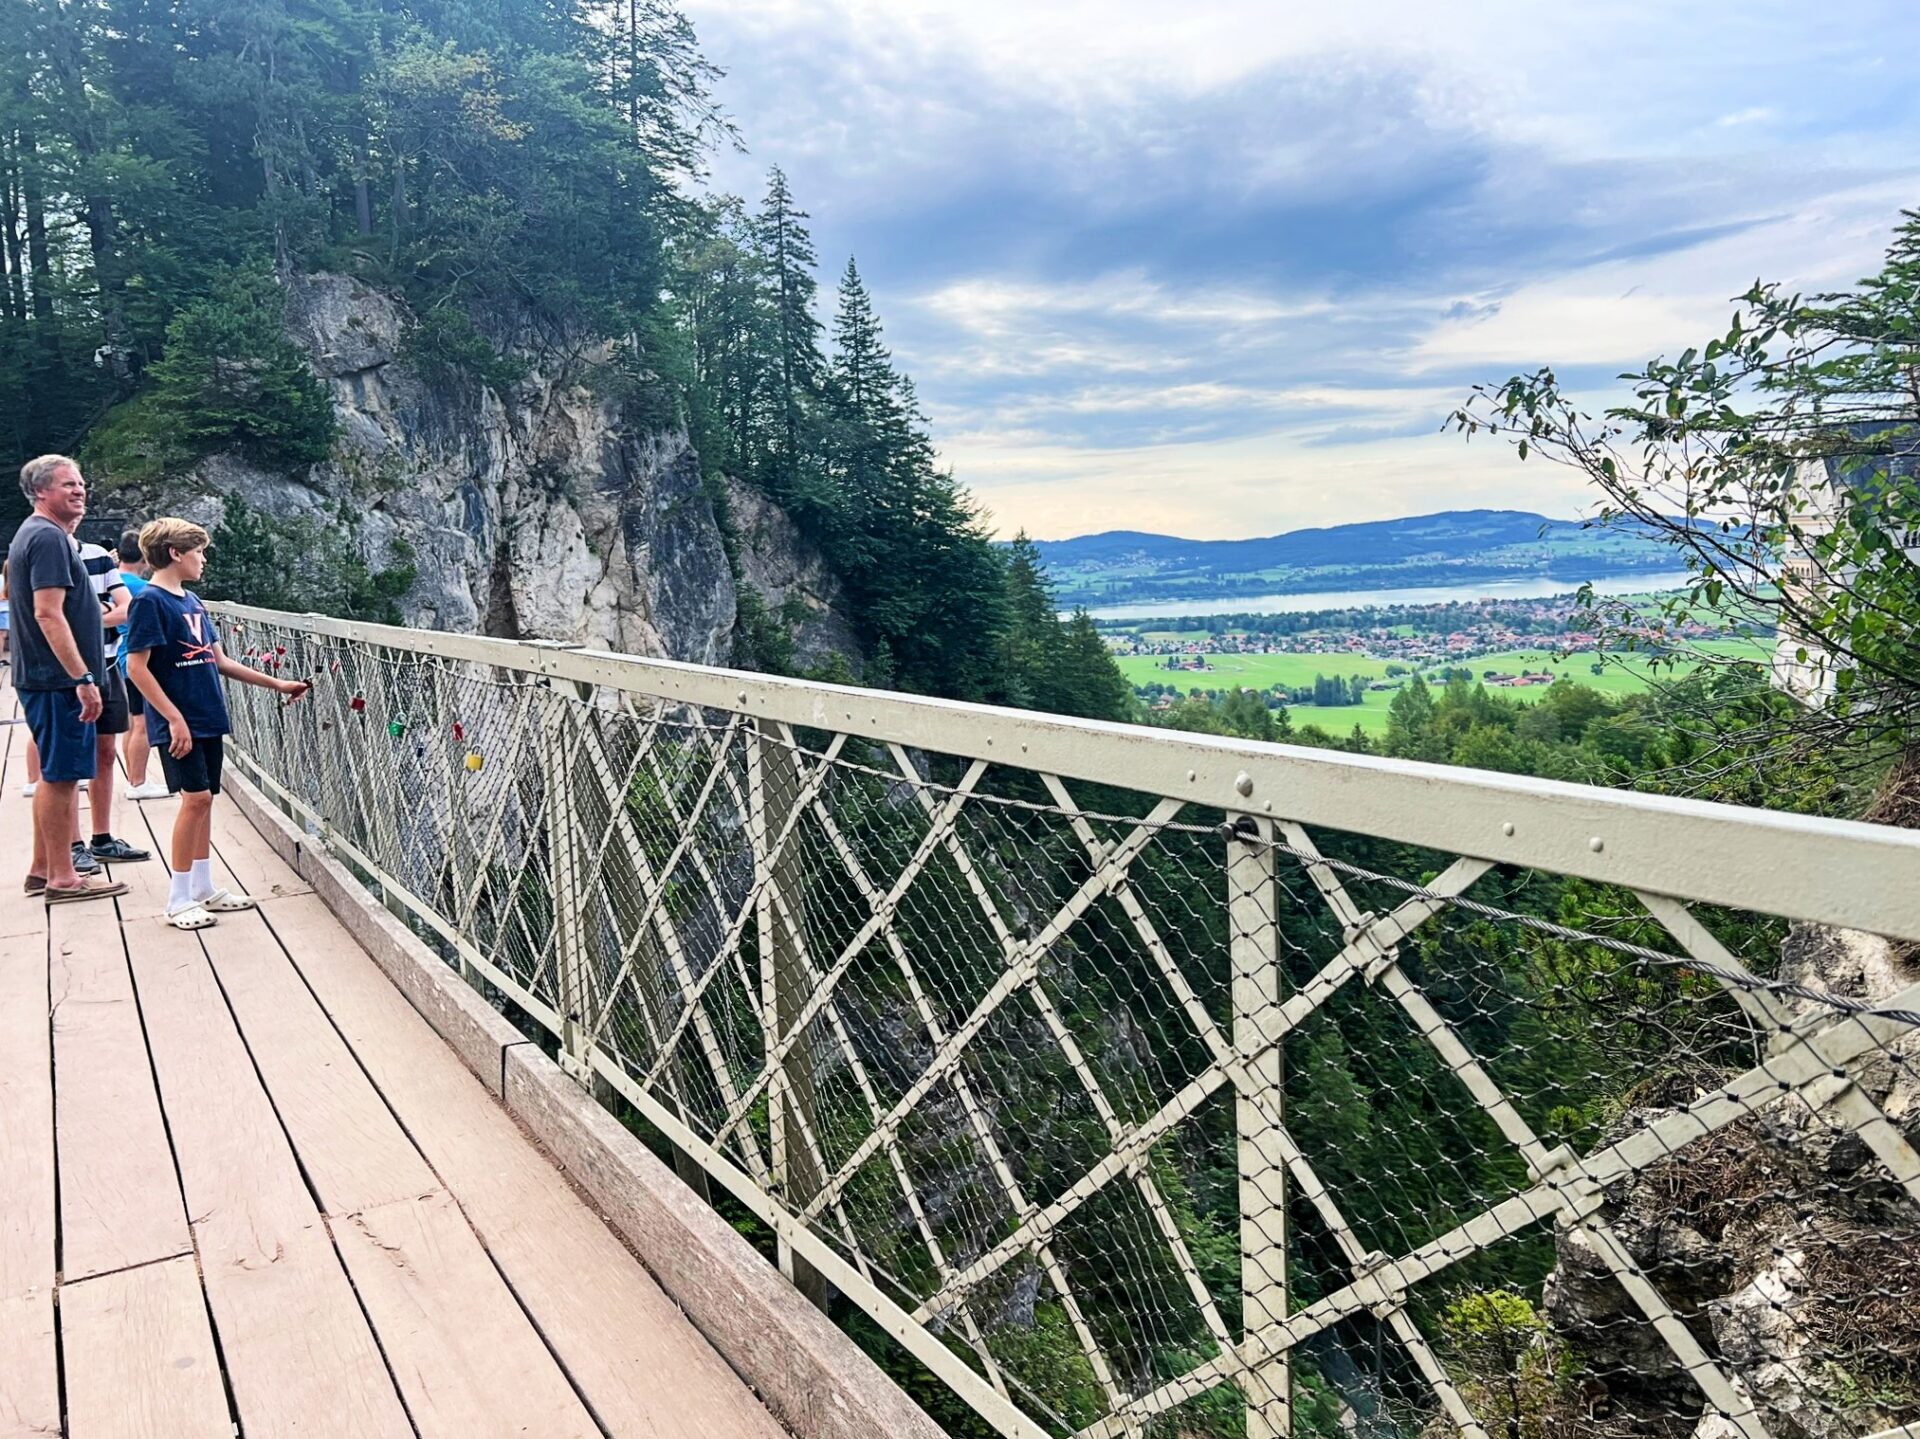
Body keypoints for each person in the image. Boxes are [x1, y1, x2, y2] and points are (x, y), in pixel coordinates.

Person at [126, 516, 309, 928]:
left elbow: (219, 660)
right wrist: (173, 718)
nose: (203, 560)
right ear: (175, 554)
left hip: (207, 715)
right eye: (198, 552)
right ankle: (177, 899)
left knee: (206, 798)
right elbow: (137, 667)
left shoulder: (191, 602)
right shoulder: (150, 602)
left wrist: (276, 683)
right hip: (181, 720)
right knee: (194, 801)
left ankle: (203, 888)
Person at [6, 455, 127, 903]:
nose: (79, 490)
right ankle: (62, 877)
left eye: (80, 484)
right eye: (67, 485)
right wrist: (82, 677)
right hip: (56, 679)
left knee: (54, 775)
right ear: (41, 492)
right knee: (59, 777)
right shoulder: (48, 538)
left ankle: (42, 869)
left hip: (46, 676)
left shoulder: (38, 535)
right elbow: (48, 613)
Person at [75, 532, 150, 863]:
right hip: (68, 672)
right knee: (69, 759)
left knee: (105, 753)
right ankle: (72, 846)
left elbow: (127, 610)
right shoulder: (43, 552)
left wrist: (83, 614)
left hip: (108, 666)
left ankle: (102, 839)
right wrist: (104, 608)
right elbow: (50, 616)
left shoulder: (99, 556)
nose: (78, 495)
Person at [115, 528, 168, 801]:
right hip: (140, 660)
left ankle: (134, 778)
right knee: (143, 723)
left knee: (133, 722)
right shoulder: (141, 589)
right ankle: (138, 782)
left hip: (122, 656)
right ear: (145, 559)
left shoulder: (116, 581)